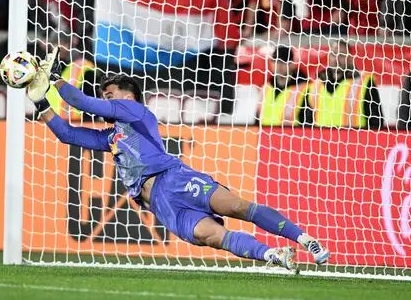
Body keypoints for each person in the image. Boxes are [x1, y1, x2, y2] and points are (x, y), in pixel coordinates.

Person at [24, 50, 331, 271]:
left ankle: (305, 239)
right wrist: (40, 100)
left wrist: (53, 79)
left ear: (127, 97)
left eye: (110, 93)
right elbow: (68, 135)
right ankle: (274, 256)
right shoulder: (111, 137)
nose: (105, 99)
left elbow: (82, 102)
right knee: (210, 237)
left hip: (175, 178)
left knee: (237, 206)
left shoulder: (136, 113)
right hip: (161, 204)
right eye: (104, 94)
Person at [308, 41, 383, 129]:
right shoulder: (317, 82)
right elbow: (308, 119)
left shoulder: (363, 82)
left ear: (350, 58)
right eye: (333, 54)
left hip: (353, 140)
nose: (336, 59)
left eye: (342, 55)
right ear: (328, 56)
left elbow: (376, 121)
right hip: (321, 140)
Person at [259, 45, 312, 127]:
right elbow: (258, 116)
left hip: (290, 137)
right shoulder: (266, 87)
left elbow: (308, 122)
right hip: (264, 136)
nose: (279, 65)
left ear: (292, 64)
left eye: (284, 62)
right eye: (276, 61)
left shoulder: (303, 89)